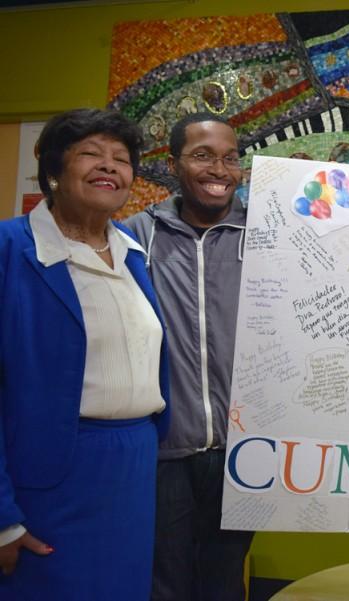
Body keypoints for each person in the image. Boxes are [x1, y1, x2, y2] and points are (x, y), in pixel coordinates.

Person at [0, 108, 169, 599]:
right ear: (54, 171)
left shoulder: (131, 252)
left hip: (133, 468)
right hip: (52, 475)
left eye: (121, 159)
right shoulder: (11, 249)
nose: (109, 166)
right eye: (91, 155)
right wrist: (2, 517)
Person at [125, 112, 252, 601]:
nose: (218, 169)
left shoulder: (269, 230)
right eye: (202, 155)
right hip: (165, 450)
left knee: (223, 582)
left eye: (229, 157)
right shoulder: (138, 235)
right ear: (173, 164)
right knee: (165, 582)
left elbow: (348, 234)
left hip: (243, 451)